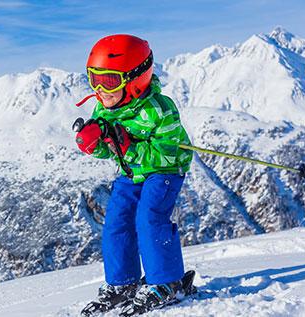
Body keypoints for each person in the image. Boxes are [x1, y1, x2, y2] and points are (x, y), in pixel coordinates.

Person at [75, 34, 193, 316]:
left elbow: (165, 155)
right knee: (116, 221)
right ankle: (122, 283)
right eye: (94, 79)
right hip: (131, 173)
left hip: (164, 171)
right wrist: (95, 144)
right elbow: (109, 151)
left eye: (110, 80)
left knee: (149, 218)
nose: (101, 89)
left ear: (136, 78)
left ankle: (167, 281)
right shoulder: (105, 107)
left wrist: (127, 147)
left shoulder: (160, 109)